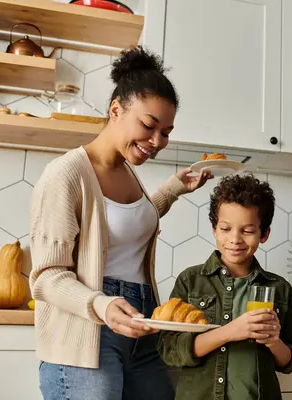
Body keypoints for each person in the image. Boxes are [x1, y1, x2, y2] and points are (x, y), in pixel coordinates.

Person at [28, 46, 211, 400]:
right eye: (148, 126)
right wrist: (102, 305)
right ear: (115, 110)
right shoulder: (66, 174)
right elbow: (46, 277)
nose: (157, 142)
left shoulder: (127, 171)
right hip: (88, 330)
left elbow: (127, 224)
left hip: (143, 326)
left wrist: (175, 188)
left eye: (167, 132)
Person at [157, 174, 292, 400]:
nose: (235, 239)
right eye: (226, 229)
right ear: (215, 229)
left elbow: (289, 361)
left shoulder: (279, 288)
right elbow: (170, 351)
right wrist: (230, 331)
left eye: (247, 231)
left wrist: (274, 342)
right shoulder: (191, 280)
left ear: (264, 234)